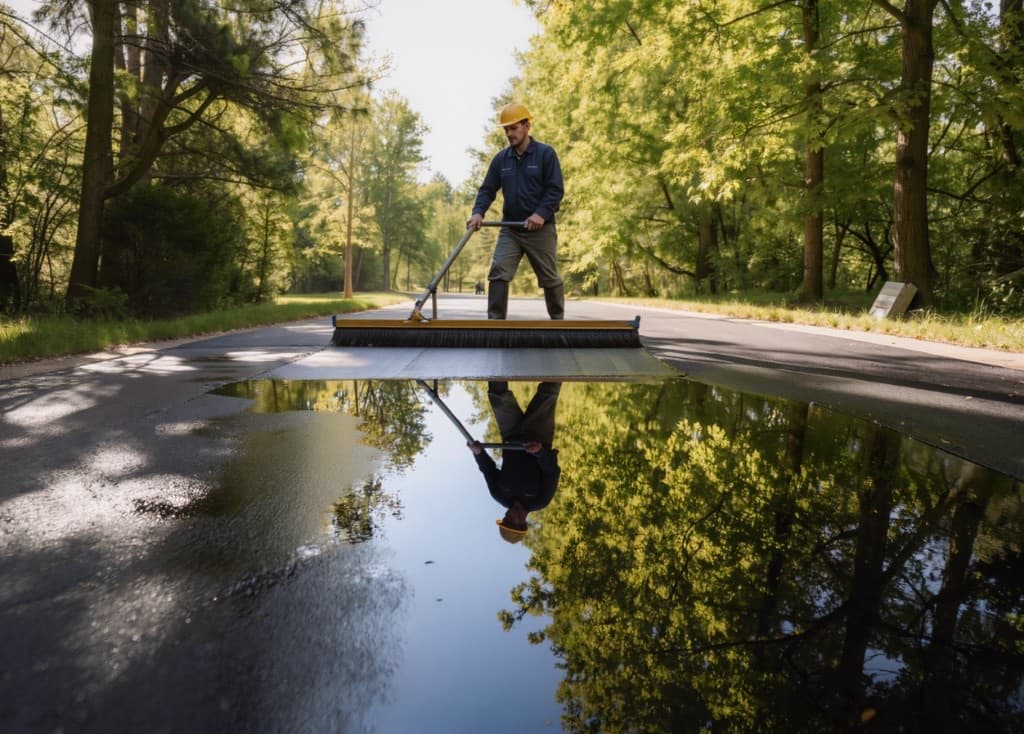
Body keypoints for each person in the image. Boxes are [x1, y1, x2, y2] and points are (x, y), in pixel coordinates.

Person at [467, 102, 565, 321]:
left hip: (541, 228)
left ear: (526, 125)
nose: (509, 134)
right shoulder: (501, 160)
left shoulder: (545, 154)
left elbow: (555, 190)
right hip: (511, 228)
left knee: (549, 277)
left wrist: (540, 214)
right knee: (498, 271)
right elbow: (487, 190)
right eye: (506, 130)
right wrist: (478, 212)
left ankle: (558, 322)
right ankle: (495, 323)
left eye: (513, 128)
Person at [467, 381, 562, 543]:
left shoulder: (499, 495)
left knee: (497, 395)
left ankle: (500, 357)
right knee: (549, 391)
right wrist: (539, 452)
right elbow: (552, 472)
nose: (507, 516)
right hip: (538, 435)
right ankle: (558, 357)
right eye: (511, 521)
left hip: (511, 435)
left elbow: (488, 469)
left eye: (505, 519)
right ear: (521, 523)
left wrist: (478, 453)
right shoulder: (540, 500)